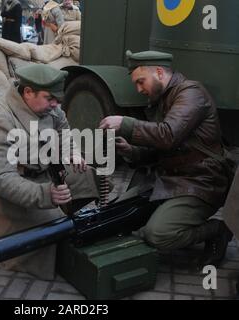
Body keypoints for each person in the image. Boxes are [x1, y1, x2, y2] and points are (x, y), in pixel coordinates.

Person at [99, 50, 233, 268]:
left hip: (200, 183)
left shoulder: (191, 93)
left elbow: (168, 135)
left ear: (159, 72)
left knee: (157, 235)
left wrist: (125, 123)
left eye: (141, 82)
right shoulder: (162, 99)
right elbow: (161, 150)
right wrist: (130, 151)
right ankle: (173, 219)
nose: (139, 89)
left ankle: (217, 230)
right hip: (169, 181)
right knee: (117, 214)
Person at [0, 65, 99, 280]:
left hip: (39, 169)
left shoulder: (50, 107)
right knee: (49, 230)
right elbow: (2, 178)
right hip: (6, 182)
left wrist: (72, 152)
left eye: (57, 100)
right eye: (50, 99)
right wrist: (45, 195)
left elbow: (63, 128)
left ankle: (68, 215)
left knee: (87, 175)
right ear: (28, 92)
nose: (56, 105)